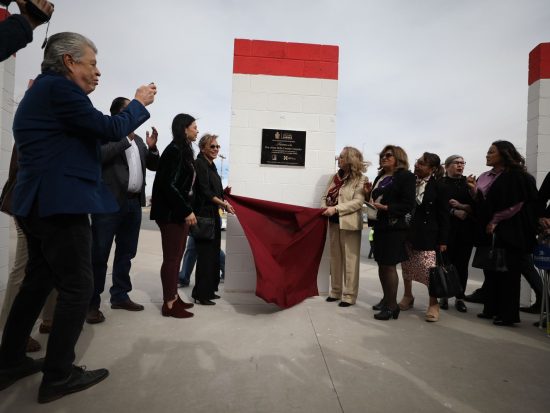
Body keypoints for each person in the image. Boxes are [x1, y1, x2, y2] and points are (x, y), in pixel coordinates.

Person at [0, 32, 156, 402]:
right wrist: (138, 102)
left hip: (38, 203)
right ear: (69, 61)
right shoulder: (59, 89)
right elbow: (109, 128)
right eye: (92, 63)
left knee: (38, 282)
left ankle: (9, 361)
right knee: (78, 286)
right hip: (59, 204)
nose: (98, 72)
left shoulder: (45, 92)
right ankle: (59, 375)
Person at [86, 97, 160, 324]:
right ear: (120, 114)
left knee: (126, 252)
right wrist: (125, 139)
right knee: (99, 254)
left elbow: (153, 165)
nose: (136, 113)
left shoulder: (139, 141)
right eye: (131, 109)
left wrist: (152, 148)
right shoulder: (106, 132)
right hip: (108, 203)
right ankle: (91, 304)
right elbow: (99, 156)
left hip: (133, 204)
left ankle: (120, 295)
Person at [469, 140, 538, 326]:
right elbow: (487, 201)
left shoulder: (516, 176)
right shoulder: (489, 176)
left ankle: (508, 315)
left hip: (511, 231)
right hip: (493, 232)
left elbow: (515, 204)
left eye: (491, 152)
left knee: (509, 274)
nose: (487, 155)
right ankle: (491, 308)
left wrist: (494, 220)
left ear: (504, 154)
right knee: (493, 272)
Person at [150, 114, 197, 317]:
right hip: (171, 214)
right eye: (194, 127)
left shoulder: (183, 150)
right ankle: (169, 304)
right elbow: (168, 185)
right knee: (171, 258)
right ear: (184, 129)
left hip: (177, 213)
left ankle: (174, 297)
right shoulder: (174, 150)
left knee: (176, 257)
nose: (197, 130)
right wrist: (186, 210)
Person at [365, 145, 416, 320]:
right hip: (380, 225)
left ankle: (392, 307)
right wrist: (367, 195)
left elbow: (408, 204)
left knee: (389, 265)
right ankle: (386, 299)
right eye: (382, 155)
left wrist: (387, 208)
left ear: (398, 158)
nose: (384, 158)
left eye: (388, 155)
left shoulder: (406, 176)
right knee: (381, 264)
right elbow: (375, 199)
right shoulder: (380, 177)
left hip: (394, 227)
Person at [399, 153, 449, 322]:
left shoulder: (440, 186)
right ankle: (408, 296)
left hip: (428, 235)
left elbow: (444, 215)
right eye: (417, 162)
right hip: (407, 232)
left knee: (429, 271)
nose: (417, 165)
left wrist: (443, 240)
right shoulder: (409, 182)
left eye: (422, 163)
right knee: (406, 266)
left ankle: (433, 304)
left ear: (432, 169)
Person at [192, 134, 235, 305]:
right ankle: (201, 295)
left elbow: (214, 191)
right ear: (203, 148)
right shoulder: (200, 164)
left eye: (217, 146)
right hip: (204, 217)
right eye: (212, 146)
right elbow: (205, 191)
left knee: (213, 255)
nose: (216, 149)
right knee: (205, 256)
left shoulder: (212, 166)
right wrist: (224, 204)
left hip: (213, 216)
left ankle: (209, 291)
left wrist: (224, 193)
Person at [321, 146, 366, 307]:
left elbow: (358, 202)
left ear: (349, 159)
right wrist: (323, 207)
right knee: (335, 259)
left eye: (341, 156)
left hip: (349, 223)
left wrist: (336, 208)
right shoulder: (334, 177)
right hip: (333, 222)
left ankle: (349, 296)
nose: (338, 159)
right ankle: (335, 291)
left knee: (350, 261)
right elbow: (324, 196)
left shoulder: (361, 179)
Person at [438, 155, 475, 313]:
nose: (460, 165)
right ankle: (444, 295)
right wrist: (453, 211)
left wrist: (466, 204)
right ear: (447, 166)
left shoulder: (469, 183)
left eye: (462, 163)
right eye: (456, 163)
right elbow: (436, 206)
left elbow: (478, 205)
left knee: (462, 266)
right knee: (445, 265)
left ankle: (460, 297)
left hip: (465, 232)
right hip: (445, 232)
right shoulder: (440, 183)